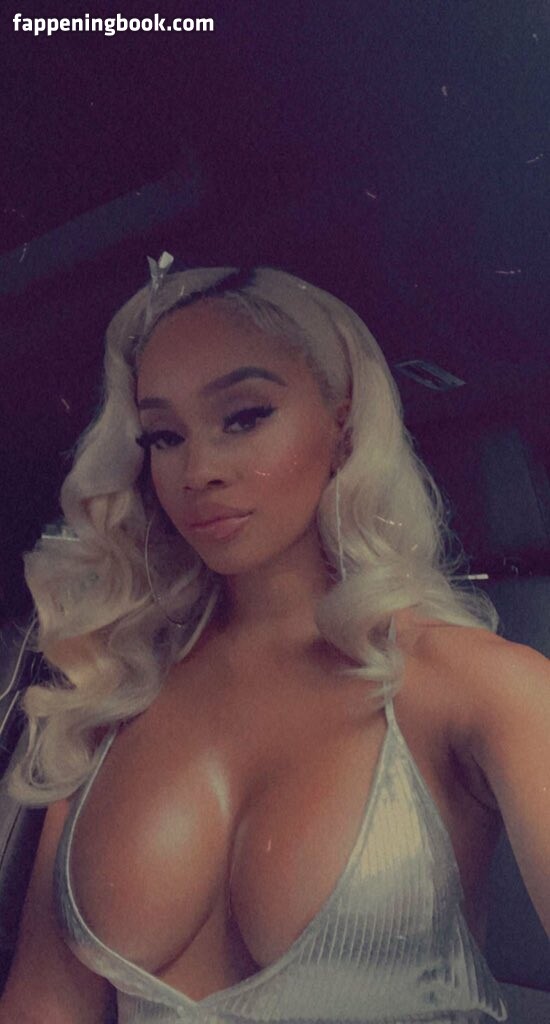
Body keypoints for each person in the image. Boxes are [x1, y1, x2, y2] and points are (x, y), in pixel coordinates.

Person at [1, 260, 548, 1024]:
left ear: (343, 427)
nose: (199, 470)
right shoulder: (106, 692)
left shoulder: (479, 687)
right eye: (165, 436)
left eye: (244, 416)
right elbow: (44, 1006)